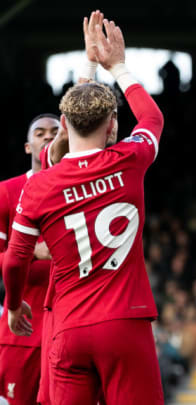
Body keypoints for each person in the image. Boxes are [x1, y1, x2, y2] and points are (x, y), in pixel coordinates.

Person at [2, 11, 164, 404]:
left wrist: (13, 304)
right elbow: (152, 118)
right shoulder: (130, 159)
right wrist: (118, 66)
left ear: (61, 122)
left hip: (69, 328)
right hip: (125, 323)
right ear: (112, 127)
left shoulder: (39, 186)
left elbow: (13, 262)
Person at [0, 114, 58, 404]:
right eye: (40, 133)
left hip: (68, 323)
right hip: (22, 325)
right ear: (27, 146)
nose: (48, 136)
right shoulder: (6, 191)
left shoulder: (85, 186)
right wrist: (31, 251)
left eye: (54, 131)